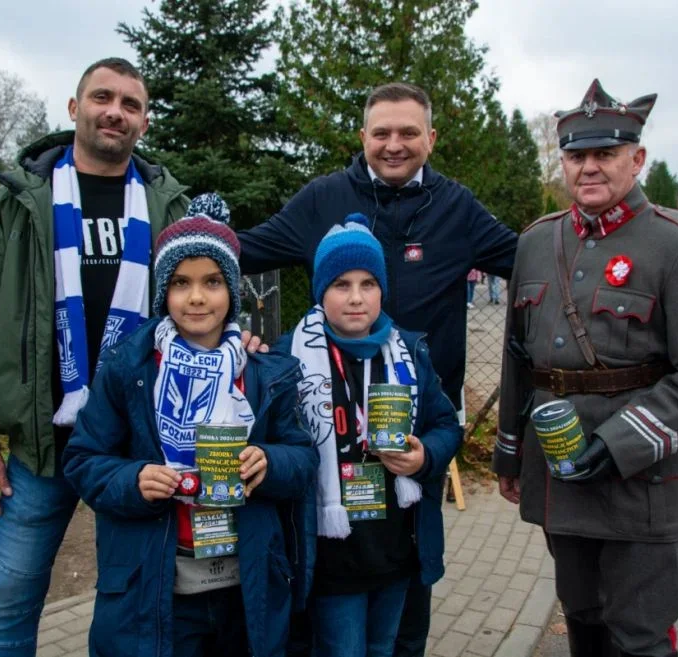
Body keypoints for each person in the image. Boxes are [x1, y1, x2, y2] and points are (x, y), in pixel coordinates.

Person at [237, 82, 517, 655]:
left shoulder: (457, 208)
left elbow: (534, 261)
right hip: (328, 436)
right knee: (330, 592)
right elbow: (239, 253)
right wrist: (221, 326)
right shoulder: (323, 199)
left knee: (408, 581)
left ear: (431, 139)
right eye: (382, 133)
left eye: (409, 133)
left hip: (418, 429)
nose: (395, 144)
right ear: (363, 137)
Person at [0, 57, 190, 656]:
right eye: (103, 97)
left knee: (135, 600)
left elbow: (200, 309)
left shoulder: (168, 207)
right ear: (75, 109)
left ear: (145, 122)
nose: (116, 111)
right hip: (40, 446)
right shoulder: (17, 205)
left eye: (131, 104)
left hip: (135, 446)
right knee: (10, 604)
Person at [492, 79, 678, 657]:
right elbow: (520, 361)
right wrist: (510, 450)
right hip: (563, 480)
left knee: (639, 637)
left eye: (605, 154)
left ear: (637, 159)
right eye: (577, 156)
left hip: (646, 483)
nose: (589, 168)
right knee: (584, 621)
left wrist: (619, 444)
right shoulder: (536, 243)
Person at [62, 196, 317, 656]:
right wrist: (132, 479)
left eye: (212, 282)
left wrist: (270, 463)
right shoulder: (129, 367)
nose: (197, 297)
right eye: (181, 282)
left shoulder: (262, 370)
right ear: (164, 292)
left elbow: (303, 457)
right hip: (157, 590)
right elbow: (83, 459)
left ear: (233, 291)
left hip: (247, 586)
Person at [276, 215, 461, 657]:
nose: (356, 298)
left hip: (394, 550)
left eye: (368, 284)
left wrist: (424, 458)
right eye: (341, 284)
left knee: (384, 648)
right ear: (321, 291)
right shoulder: (287, 358)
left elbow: (446, 426)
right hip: (330, 555)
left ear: (382, 290)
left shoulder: (409, 353)